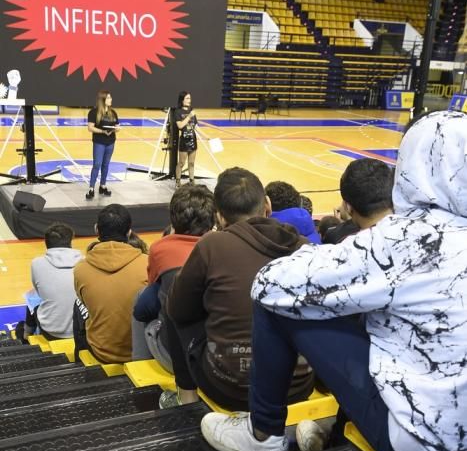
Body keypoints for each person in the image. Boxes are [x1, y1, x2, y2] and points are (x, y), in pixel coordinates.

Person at [201, 111, 467, 451]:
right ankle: (337, 428)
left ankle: (262, 436)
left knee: (280, 305)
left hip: (434, 442)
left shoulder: (407, 238)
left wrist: (322, 258)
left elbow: (270, 282)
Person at [162, 167, 314, 410]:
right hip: (299, 386)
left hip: (230, 389)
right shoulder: (304, 247)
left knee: (170, 295)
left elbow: (179, 311)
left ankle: (186, 399)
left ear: (219, 217)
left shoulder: (212, 244)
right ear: (267, 205)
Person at [132, 184, 215, 367]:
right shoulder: (222, 246)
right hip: (214, 352)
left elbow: (152, 290)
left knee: (142, 297)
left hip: (175, 356)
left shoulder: (160, 248)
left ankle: (139, 362)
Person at [74, 204, 147, 364]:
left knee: (77, 306)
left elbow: (86, 303)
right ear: (129, 232)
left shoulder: (80, 269)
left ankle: (76, 359)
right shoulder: (148, 264)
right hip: (141, 351)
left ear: (96, 230)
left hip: (100, 351)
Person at [17, 222, 82, 343]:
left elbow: (39, 292)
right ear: (71, 242)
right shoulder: (84, 262)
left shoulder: (37, 263)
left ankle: (26, 334)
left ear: (46, 243)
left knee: (32, 297)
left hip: (51, 330)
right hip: (81, 328)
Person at [86, 90, 120, 201]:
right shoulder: (93, 112)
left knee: (106, 165)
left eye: (110, 98)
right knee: (97, 164)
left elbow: (117, 126)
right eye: (109, 98)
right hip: (99, 142)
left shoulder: (113, 113)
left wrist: (117, 129)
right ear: (103, 100)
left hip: (110, 142)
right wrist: (102, 131)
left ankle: (103, 186)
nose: (111, 100)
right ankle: (91, 188)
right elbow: (90, 127)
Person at [175, 91, 197, 187]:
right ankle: (178, 181)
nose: (189, 100)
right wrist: (189, 116)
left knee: (191, 163)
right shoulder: (178, 111)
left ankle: (192, 181)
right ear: (182, 100)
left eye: (190, 98)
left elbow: (194, 126)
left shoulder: (191, 110)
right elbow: (180, 125)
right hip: (184, 140)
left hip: (193, 139)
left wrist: (206, 137)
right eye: (187, 98)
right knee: (181, 163)